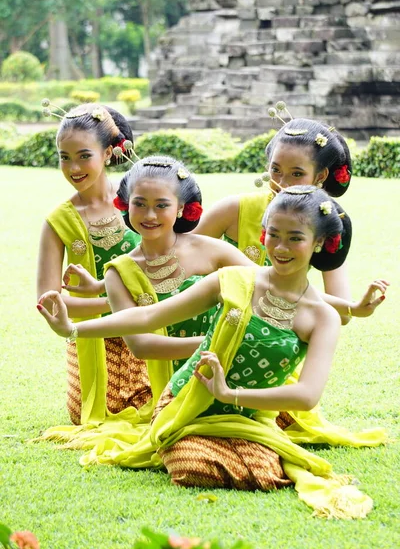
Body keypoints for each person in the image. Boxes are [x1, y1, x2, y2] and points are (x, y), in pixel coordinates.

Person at [37, 186, 388, 519]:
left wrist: (229, 394)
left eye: (295, 238)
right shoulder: (235, 279)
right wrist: (72, 328)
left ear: (319, 243)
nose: (280, 247)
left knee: (263, 472)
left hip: (249, 416)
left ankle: (250, 447)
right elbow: (149, 315)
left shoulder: (322, 317)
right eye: (273, 234)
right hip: (187, 400)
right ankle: (187, 439)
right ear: (263, 232)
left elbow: (306, 395)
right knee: (191, 466)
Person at [61, 154, 255, 406]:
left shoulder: (212, 250)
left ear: (182, 208)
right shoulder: (118, 273)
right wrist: (218, 344)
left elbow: (268, 285)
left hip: (232, 373)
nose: (149, 215)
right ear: (125, 205)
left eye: (162, 205)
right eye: (140, 204)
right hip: (170, 391)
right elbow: (141, 346)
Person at [36, 101, 150, 425]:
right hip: (95, 339)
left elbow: (173, 261)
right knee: (107, 413)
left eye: (84, 155)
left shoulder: (138, 201)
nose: (74, 168)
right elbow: (49, 304)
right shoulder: (58, 222)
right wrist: (121, 305)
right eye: (65, 157)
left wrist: (142, 311)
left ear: (108, 153)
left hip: (152, 327)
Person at [195, 114, 353, 309]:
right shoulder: (233, 209)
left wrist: (290, 295)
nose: (282, 183)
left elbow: (344, 310)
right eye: (276, 170)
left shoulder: (324, 221)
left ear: (320, 176)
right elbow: (179, 254)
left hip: (283, 327)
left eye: (297, 174)